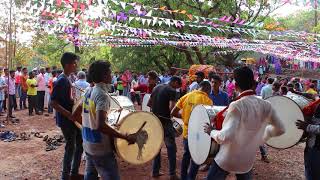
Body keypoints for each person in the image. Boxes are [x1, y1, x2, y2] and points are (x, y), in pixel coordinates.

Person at [203, 66, 285, 180]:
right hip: (247, 160)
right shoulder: (266, 105)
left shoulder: (237, 105)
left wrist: (212, 132)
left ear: (235, 86)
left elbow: (224, 136)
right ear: (253, 84)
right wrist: (261, 137)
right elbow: (281, 129)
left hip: (227, 159)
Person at [73, 60, 136, 180]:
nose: (111, 75)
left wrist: (88, 127)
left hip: (87, 143)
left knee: (90, 176)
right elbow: (100, 126)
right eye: (109, 72)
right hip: (100, 148)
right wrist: (125, 137)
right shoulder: (101, 95)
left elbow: (75, 115)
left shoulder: (88, 91)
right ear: (104, 75)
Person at [50, 52, 83, 180]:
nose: (76, 65)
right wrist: (69, 115)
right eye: (75, 63)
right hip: (67, 120)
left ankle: (74, 173)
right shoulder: (62, 80)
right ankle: (65, 175)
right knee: (71, 146)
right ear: (68, 65)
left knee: (79, 144)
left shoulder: (70, 78)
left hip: (73, 118)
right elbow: (53, 102)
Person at [171, 81, 213, 180]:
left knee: (186, 155)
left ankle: (183, 177)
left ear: (199, 87)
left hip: (187, 132)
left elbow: (173, 112)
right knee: (196, 158)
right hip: (199, 135)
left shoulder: (186, 96)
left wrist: (185, 117)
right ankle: (190, 178)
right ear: (207, 89)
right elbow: (209, 120)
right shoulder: (208, 101)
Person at [148, 76, 182, 180]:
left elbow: (149, 103)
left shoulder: (156, 87)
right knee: (171, 149)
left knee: (157, 147)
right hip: (166, 122)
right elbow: (171, 109)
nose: (177, 88)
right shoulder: (172, 91)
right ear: (175, 82)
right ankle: (172, 174)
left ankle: (155, 171)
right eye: (178, 86)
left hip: (155, 121)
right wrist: (182, 116)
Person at [296, 105, 320, 180]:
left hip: (317, 148)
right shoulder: (317, 103)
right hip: (311, 146)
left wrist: (307, 127)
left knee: (314, 175)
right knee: (309, 172)